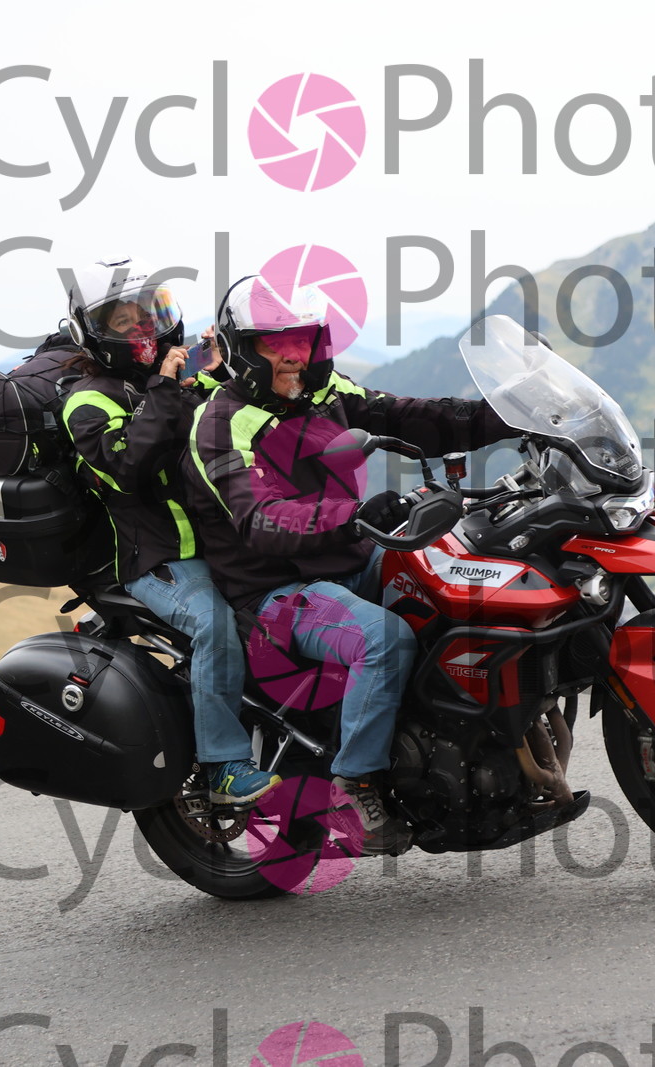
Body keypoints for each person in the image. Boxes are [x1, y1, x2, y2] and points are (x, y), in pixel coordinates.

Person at [182, 274, 521, 854]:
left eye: (304, 341)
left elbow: (416, 416)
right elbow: (261, 519)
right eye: (276, 344)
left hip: (352, 555)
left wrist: (515, 416)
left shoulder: (324, 391)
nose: (294, 356)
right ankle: (354, 784)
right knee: (384, 639)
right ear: (243, 350)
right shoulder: (219, 425)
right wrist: (353, 515)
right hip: (275, 590)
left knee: (466, 582)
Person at [55, 258, 279, 808]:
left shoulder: (172, 384)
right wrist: (164, 387)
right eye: (123, 320)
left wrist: (223, 373)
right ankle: (224, 765)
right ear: (92, 333)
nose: (143, 328)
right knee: (214, 625)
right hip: (158, 561)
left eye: (149, 313)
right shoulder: (88, 400)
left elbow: (218, 427)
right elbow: (127, 467)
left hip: (221, 544)